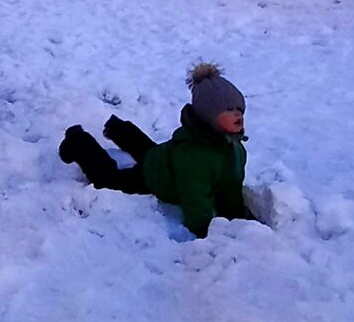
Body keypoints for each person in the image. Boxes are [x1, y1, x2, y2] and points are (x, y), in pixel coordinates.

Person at [57, 63, 254, 239]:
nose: (237, 114)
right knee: (108, 179)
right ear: (208, 117)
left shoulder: (234, 148)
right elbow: (195, 199)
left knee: (154, 153)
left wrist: (236, 214)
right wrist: (204, 232)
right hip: (155, 176)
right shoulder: (194, 158)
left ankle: (119, 130)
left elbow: (231, 184)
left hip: (167, 159)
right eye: (228, 109)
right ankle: (79, 142)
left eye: (239, 108)